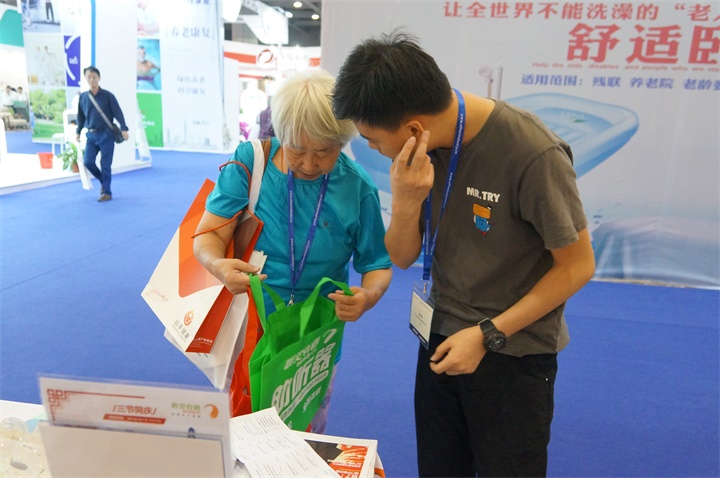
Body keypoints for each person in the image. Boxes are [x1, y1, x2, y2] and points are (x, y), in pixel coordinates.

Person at [333, 31, 596, 477]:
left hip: (512, 351)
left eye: (373, 140)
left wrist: (487, 334)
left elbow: (578, 266)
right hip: (439, 339)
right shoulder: (418, 151)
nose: (373, 149)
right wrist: (406, 200)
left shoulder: (533, 153)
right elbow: (403, 256)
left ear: (413, 128)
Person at [193, 69, 393, 432]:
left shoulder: (357, 188)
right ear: (281, 134)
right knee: (241, 429)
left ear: (342, 142)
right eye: (297, 149)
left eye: (325, 152)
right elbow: (207, 236)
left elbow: (377, 264)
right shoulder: (250, 163)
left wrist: (369, 296)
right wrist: (218, 265)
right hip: (249, 325)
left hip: (315, 335)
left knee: (304, 431)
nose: (309, 164)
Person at [75, 66, 129, 202]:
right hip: (91, 136)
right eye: (89, 77)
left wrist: (124, 128)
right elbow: (80, 116)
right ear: (86, 79)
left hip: (106, 135)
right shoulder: (83, 97)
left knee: (105, 165)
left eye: (94, 77)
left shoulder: (108, 96)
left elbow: (118, 113)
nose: (92, 80)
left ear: (99, 78)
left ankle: (107, 192)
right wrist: (78, 131)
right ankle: (103, 181)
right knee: (88, 161)